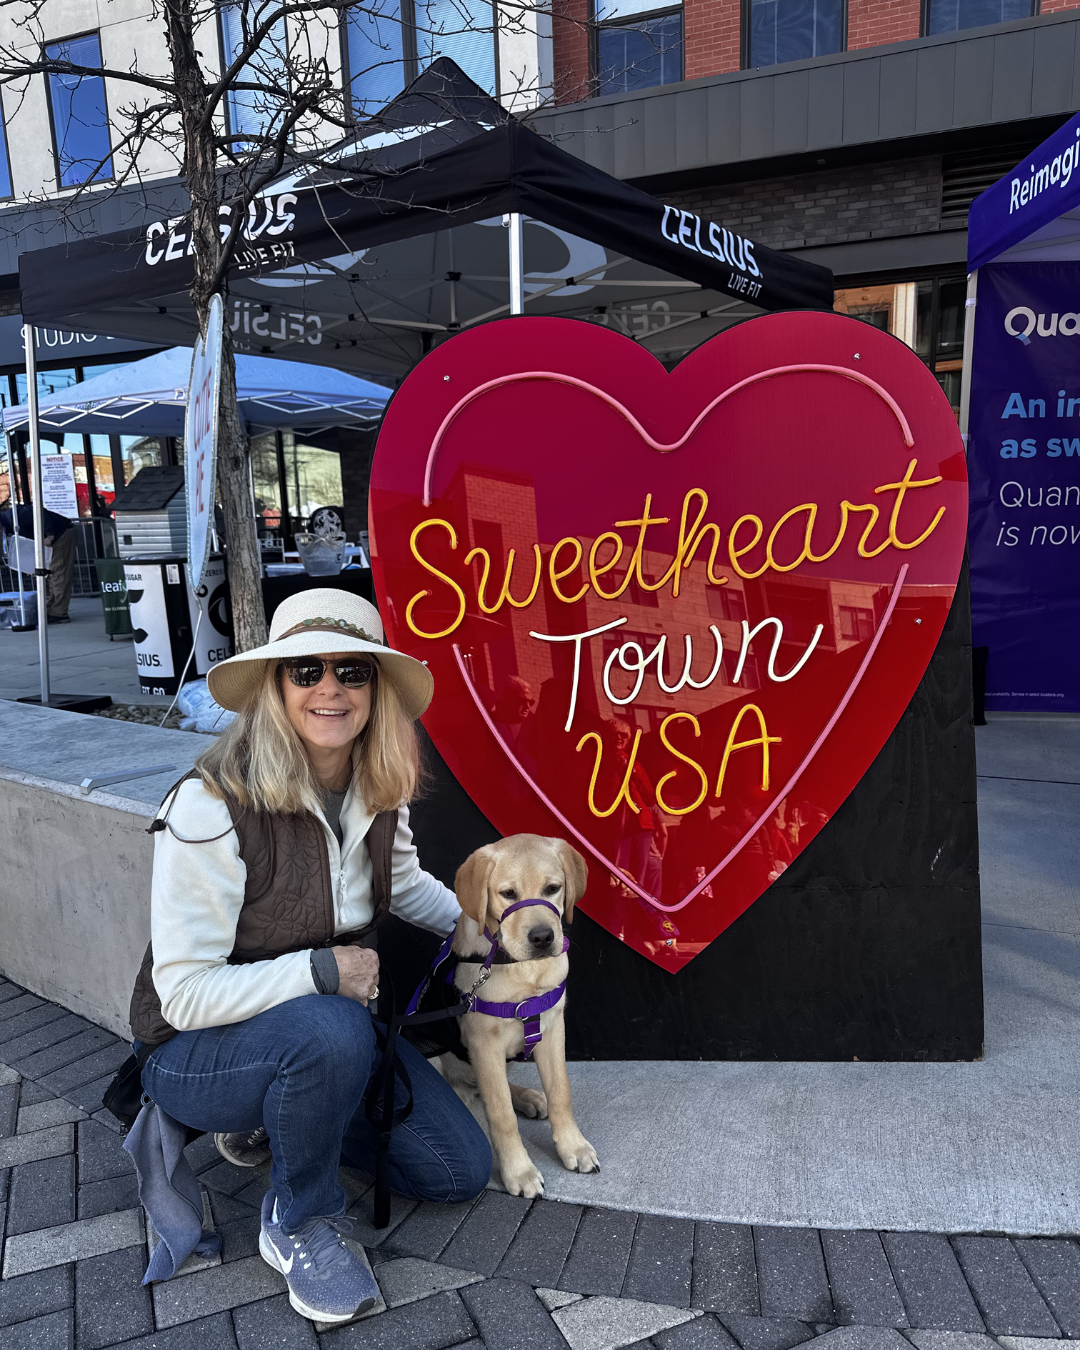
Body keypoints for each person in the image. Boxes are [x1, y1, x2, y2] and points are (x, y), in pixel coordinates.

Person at [128, 589, 491, 1324]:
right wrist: (323, 972)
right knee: (333, 1029)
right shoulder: (208, 804)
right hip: (194, 1051)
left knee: (456, 1170)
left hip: (321, 1035)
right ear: (276, 685)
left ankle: (286, 1117)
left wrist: (491, 930)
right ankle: (298, 1220)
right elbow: (184, 996)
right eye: (306, 669)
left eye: (352, 670)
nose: (330, 688)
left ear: (375, 690)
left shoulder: (376, 788)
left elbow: (403, 882)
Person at [0, 501, 77, 623]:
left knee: (58, 574)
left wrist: (50, 534)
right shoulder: (9, 526)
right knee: (51, 574)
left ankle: (59, 613)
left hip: (61, 534)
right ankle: (53, 609)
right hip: (53, 536)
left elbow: (40, 513)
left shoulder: (15, 515)